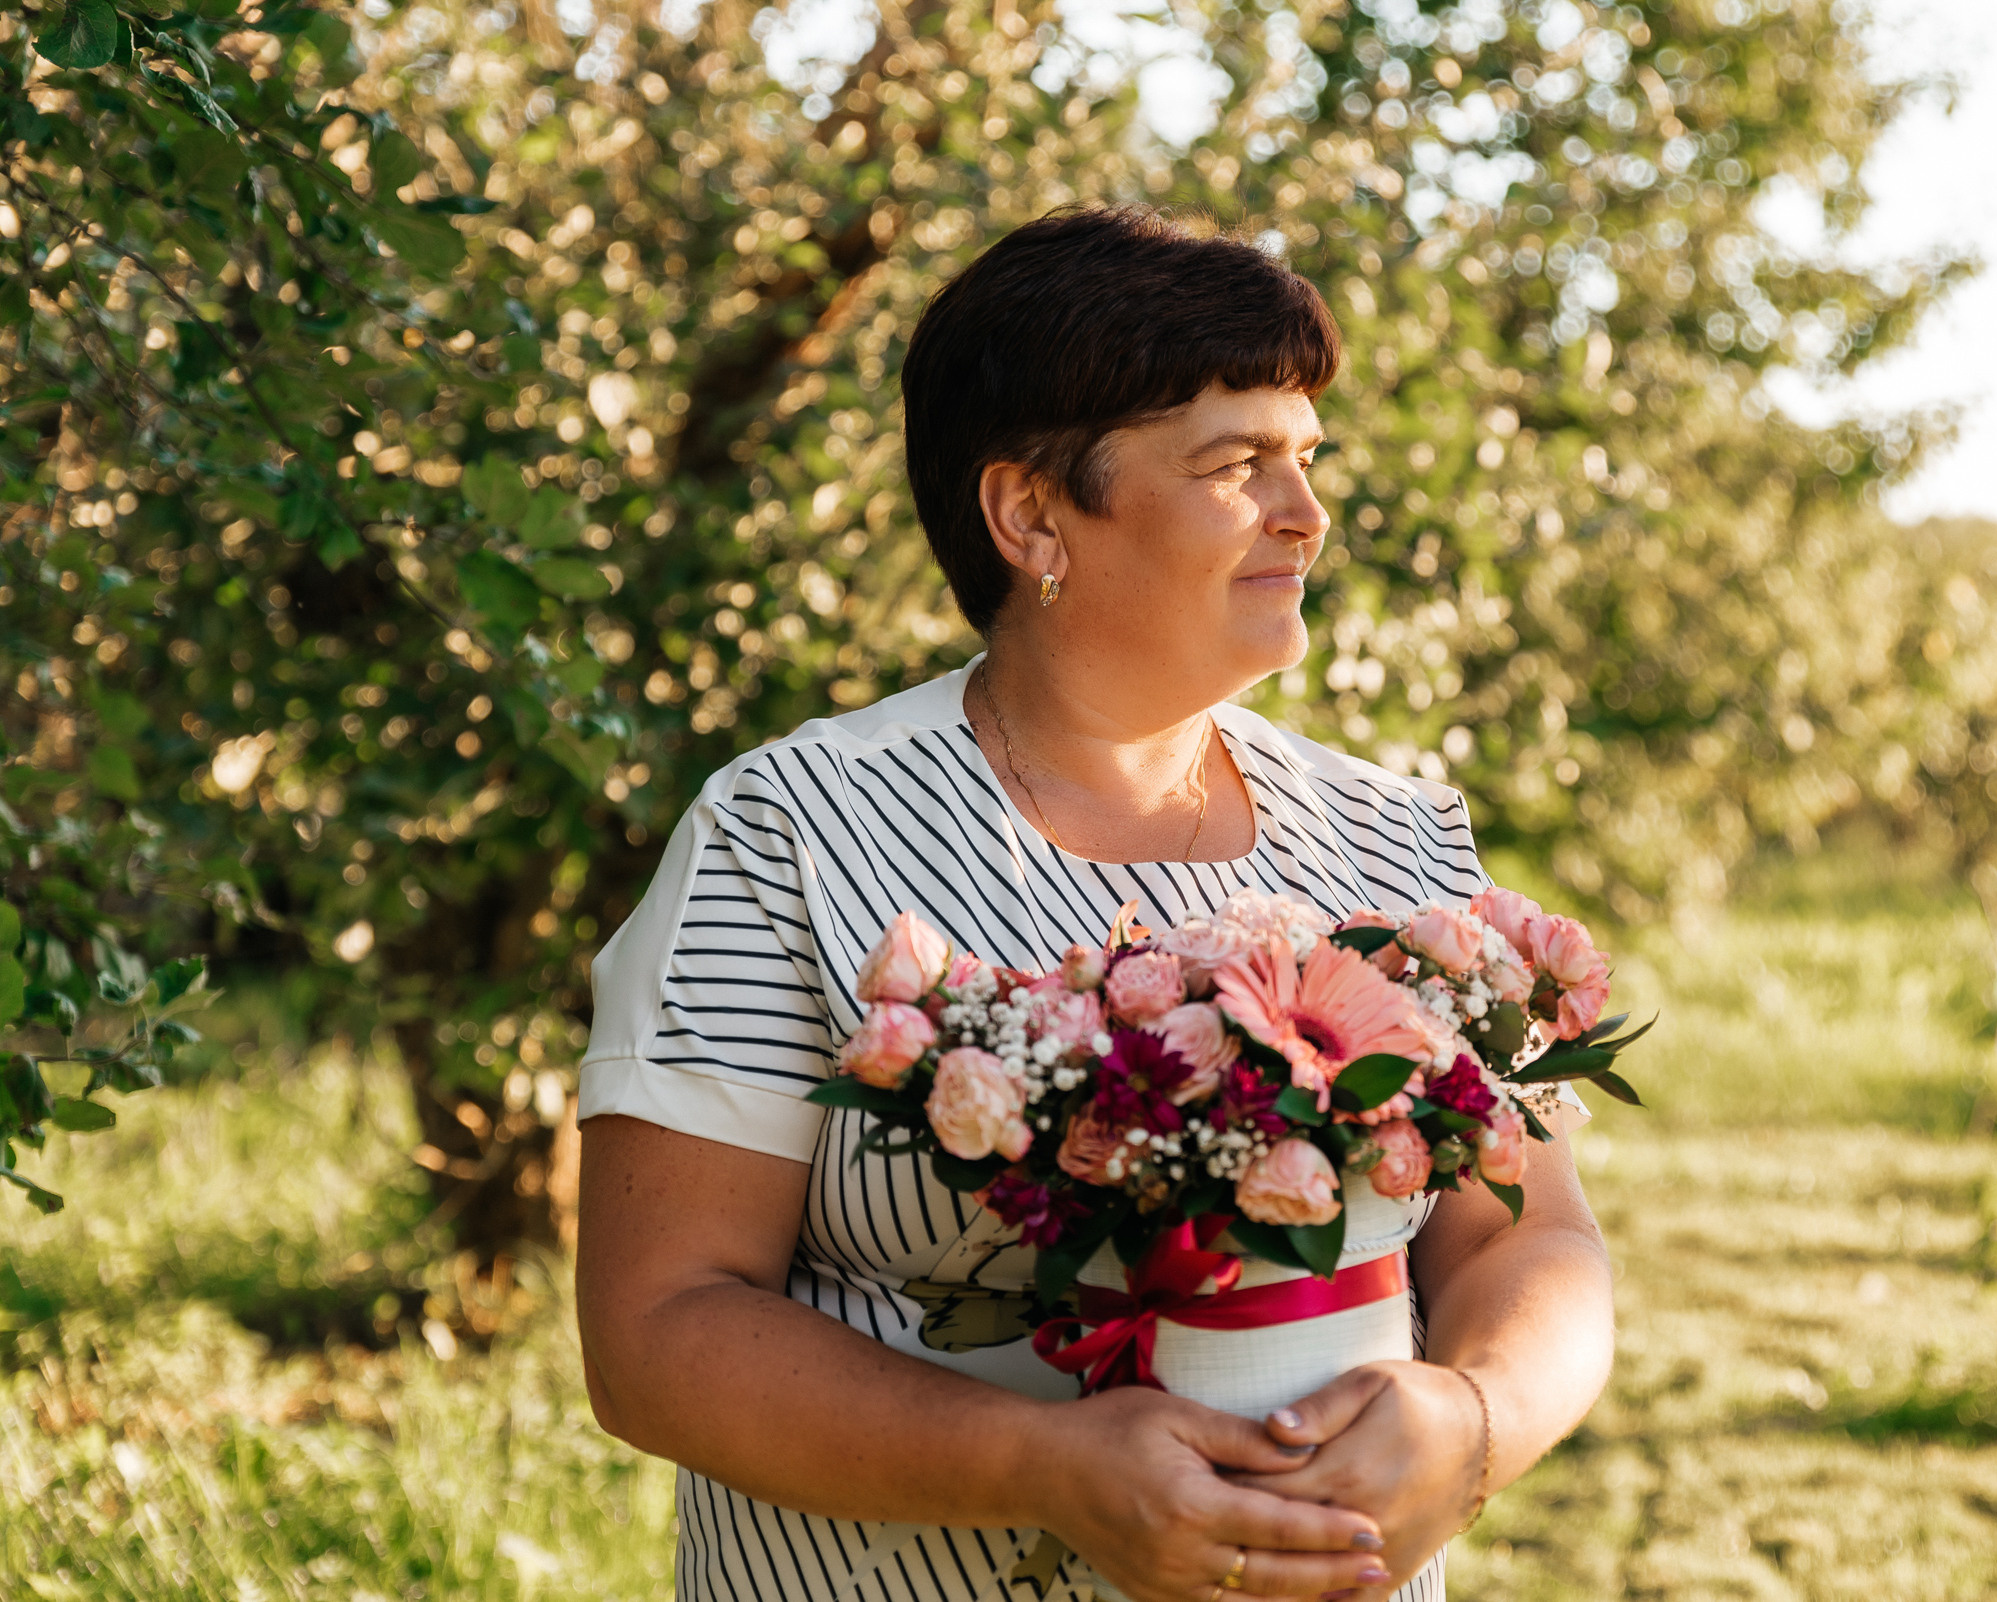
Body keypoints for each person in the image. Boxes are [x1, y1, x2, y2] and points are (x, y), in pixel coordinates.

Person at [574, 206, 1616, 1602]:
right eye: (1235, 465)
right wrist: (1041, 1465)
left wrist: (1474, 1424)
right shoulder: (790, 835)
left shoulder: (1394, 840)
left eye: (1305, 459)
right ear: (1030, 514)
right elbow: (658, 1325)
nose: (1306, 516)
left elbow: (1530, 1235)